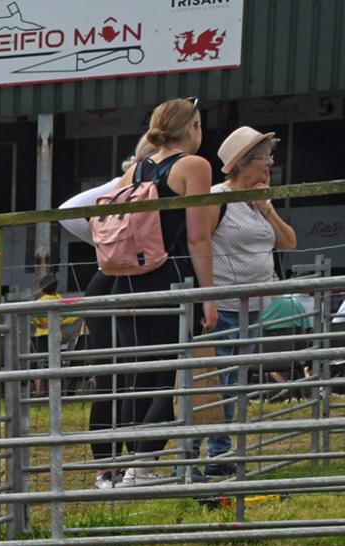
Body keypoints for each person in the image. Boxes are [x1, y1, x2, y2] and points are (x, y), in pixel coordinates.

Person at [87, 98, 218, 489]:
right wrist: (207, 295)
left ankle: (118, 465)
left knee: (134, 370)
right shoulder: (194, 166)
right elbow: (197, 236)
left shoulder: (136, 169)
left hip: (129, 276)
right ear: (191, 127)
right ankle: (142, 467)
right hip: (169, 273)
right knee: (163, 372)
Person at [199, 126, 297, 474]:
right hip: (223, 307)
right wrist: (207, 296)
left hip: (253, 310)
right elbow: (200, 243)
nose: (269, 164)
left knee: (235, 384)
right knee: (214, 385)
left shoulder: (259, 203)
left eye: (270, 156)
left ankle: (220, 456)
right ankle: (197, 459)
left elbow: (289, 243)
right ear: (241, 163)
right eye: (263, 157)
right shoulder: (216, 198)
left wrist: (267, 209)